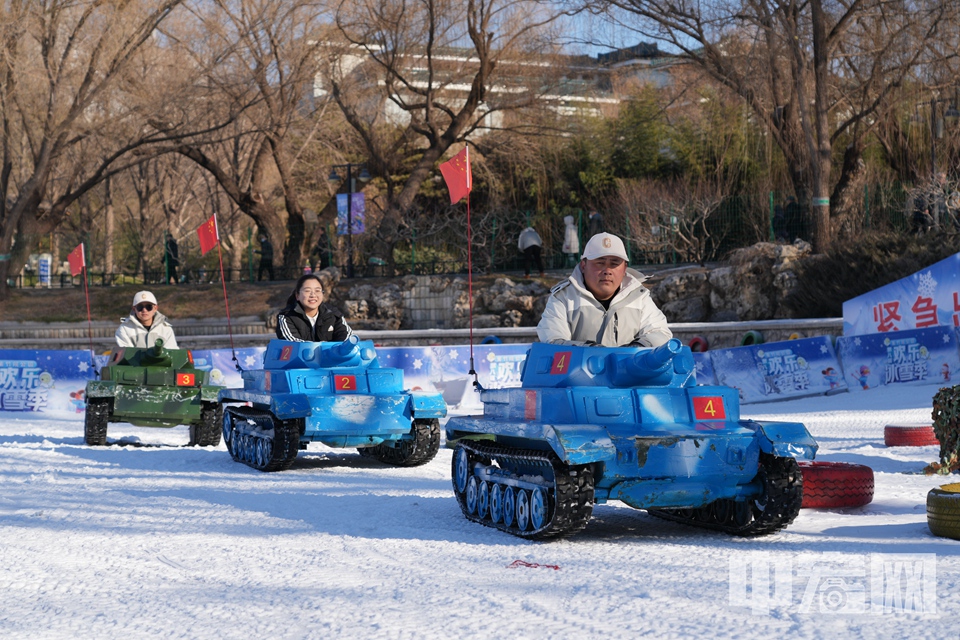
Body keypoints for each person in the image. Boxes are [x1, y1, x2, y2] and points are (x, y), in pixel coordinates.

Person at [537, 232, 672, 347]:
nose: (607, 271)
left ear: (624, 268)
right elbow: (553, 341)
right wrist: (591, 351)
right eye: (600, 263)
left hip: (630, 375)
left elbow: (661, 334)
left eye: (614, 264)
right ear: (583, 265)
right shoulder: (563, 298)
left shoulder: (639, 297)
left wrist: (636, 347)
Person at [276, 273, 354, 342]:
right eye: (307, 291)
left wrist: (332, 348)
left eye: (317, 291)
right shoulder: (287, 317)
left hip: (330, 357)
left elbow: (347, 337)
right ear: (297, 296)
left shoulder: (333, 314)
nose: (313, 295)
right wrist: (319, 347)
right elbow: (293, 342)